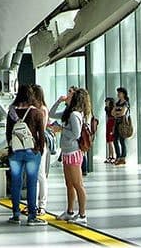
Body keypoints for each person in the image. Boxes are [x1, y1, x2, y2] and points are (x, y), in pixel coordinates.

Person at [5, 84, 47, 226]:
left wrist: (11, 149)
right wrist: (39, 150)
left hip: (15, 152)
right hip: (32, 152)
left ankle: (16, 215)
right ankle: (32, 217)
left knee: (15, 184)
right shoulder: (36, 113)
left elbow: (8, 134)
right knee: (31, 184)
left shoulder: (11, 112)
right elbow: (41, 135)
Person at [50, 87, 91, 223]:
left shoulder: (74, 115)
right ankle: (69, 211)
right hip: (67, 152)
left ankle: (82, 215)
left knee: (78, 184)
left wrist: (61, 129)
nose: (67, 95)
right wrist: (58, 101)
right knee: (69, 183)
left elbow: (76, 134)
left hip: (73, 152)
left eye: (70, 94)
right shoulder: (68, 113)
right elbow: (51, 113)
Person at [30, 85, 51, 216]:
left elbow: (40, 129)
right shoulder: (35, 109)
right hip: (34, 145)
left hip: (39, 144)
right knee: (35, 175)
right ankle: (34, 204)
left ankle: (42, 204)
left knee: (40, 175)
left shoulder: (42, 110)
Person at [112, 87, 130, 166]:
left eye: (119, 93)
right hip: (117, 123)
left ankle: (123, 157)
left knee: (122, 140)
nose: (118, 94)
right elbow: (112, 113)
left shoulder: (126, 103)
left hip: (123, 124)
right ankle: (118, 156)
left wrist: (117, 113)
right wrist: (116, 113)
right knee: (115, 139)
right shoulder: (117, 102)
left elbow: (123, 113)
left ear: (123, 94)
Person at [104, 97, 116, 163]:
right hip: (109, 123)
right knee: (108, 141)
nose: (106, 103)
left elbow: (114, 117)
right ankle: (109, 156)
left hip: (112, 124)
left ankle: (113, 156)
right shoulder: (107, 109)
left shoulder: (113, 109)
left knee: (111, 141)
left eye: (107, 102)